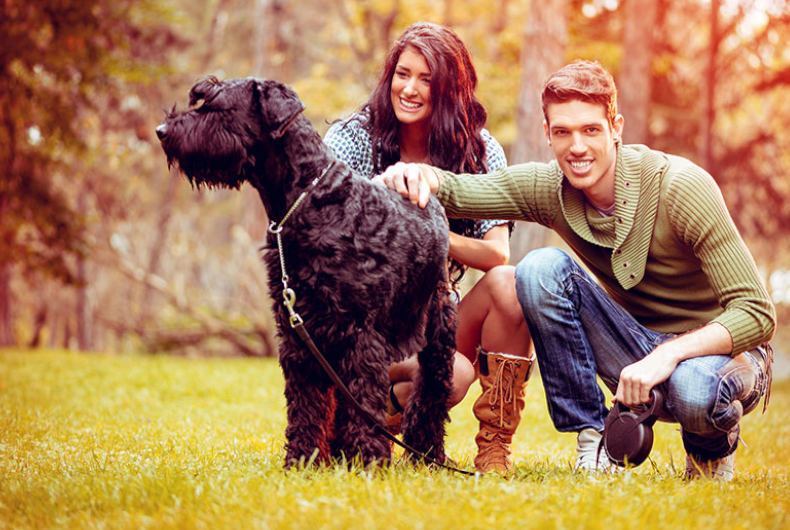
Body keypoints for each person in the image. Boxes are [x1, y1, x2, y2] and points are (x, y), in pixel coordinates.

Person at [374, 60, 775, 481]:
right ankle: (594, 443)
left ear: (615, 127)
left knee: (694, 387)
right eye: (562, 132)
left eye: (590, 130)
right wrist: (414, 173)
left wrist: (667, 355)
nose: (577, 147)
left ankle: (710, 453)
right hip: (634, 342)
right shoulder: (551, 188)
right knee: (540, 268)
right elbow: (460, 191)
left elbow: (756, 312)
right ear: (547, 133)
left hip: (722, 352)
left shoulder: (680, 187)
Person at [324, 22, 534, 473]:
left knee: (508, 287)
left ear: (451, 89)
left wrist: (428, 230)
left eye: (427, 79)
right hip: (361, 318)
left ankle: (492, 446)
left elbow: (496, 253)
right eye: (403, 74)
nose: (410, 89)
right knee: (442, 367)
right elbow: (322, 229)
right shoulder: (354, 137)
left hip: (434, 314)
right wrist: (386, 209)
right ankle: (350, 420)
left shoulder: (479, 150)